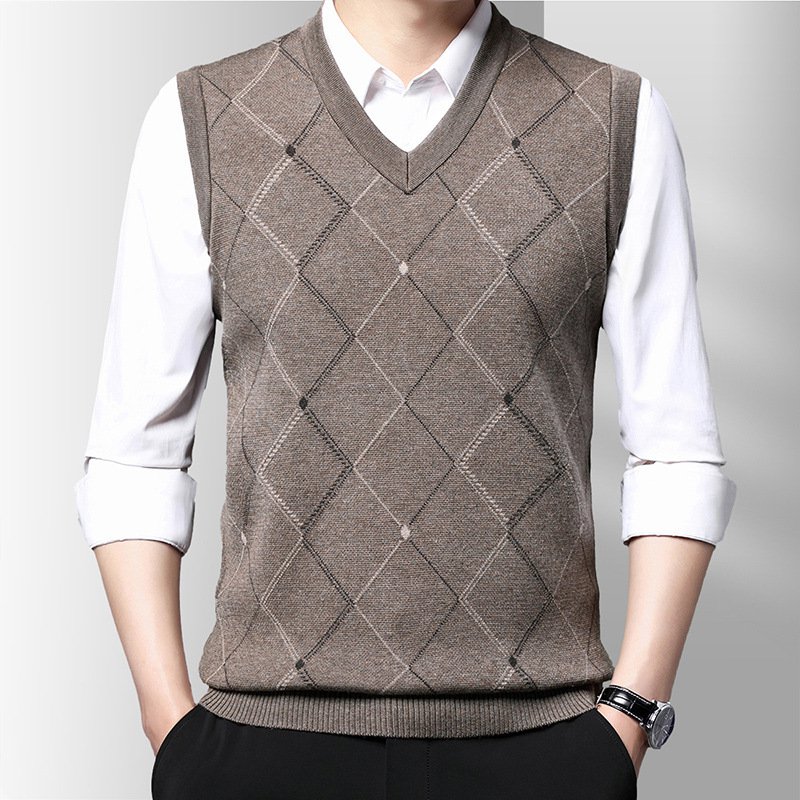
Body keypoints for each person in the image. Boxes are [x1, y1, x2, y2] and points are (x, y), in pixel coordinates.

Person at [74, 1, 737, 798]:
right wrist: (170, 724)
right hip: (261, 747)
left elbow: (675, 449)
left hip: (542, 747)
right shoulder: (204, 116)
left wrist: (626, 719)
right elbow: (136, 455)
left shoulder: (615, 116)